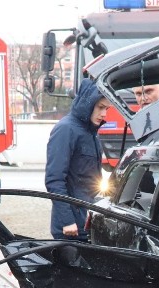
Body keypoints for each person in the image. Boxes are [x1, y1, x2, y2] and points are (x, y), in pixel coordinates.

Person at [45, 78, 111, 240]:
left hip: (87, 223)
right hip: (70, 229)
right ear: (88, 104)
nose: (104, 114)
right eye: (101, 108)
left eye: (107, 109)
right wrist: (67, 221)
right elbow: (54, 180)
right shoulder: (66, 129)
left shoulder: (91, 132)